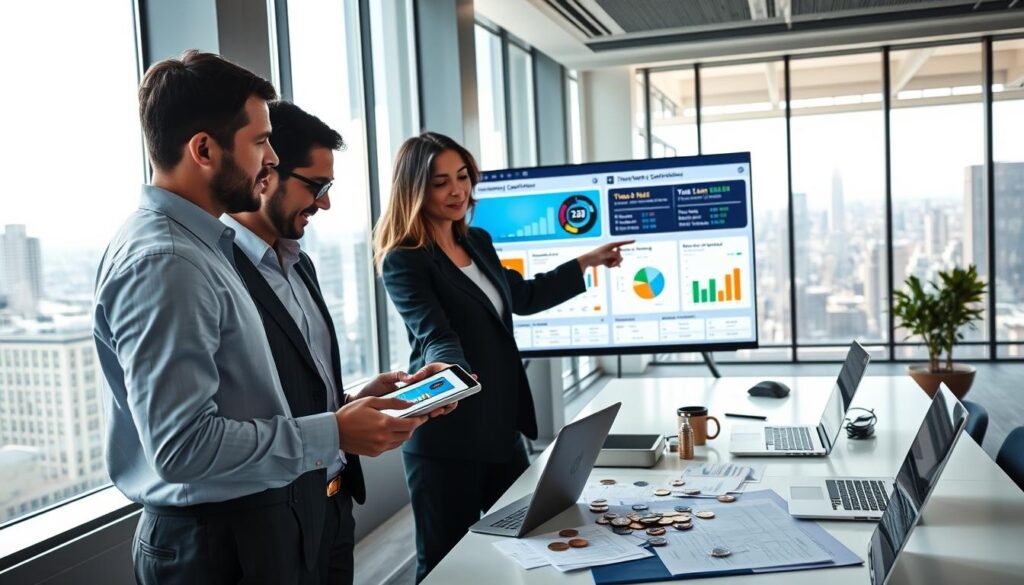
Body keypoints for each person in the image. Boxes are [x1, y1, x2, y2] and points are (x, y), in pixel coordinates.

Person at [93, 51, 424, 585]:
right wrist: (333, 432)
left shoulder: (203, 247)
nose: (269, 159)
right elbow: (182, 449)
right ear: (203, 149)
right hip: (219, 543)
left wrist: (348, 406)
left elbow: (248, 400)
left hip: (257, 526)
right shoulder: (169, 262)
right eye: (259, 141)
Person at [373, 131, 632, 581]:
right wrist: (449, 372)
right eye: (440, 182)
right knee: (445, 565)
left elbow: (523, 296)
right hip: (447, 438)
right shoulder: (405, 259)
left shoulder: (477, 241)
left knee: (523, 543)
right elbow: (436, 332)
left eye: (463, 177)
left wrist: (585, 262)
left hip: (501, 428)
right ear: (414, 188)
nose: (457, 191)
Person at [224, 100, 454, 584]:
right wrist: (334, 429)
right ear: (265, 172)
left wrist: (356, 399)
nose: (324, 202)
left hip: (328, 508)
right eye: (316, 185)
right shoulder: (217, 273)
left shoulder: (296, 263)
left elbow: (284, 395)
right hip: (264, 525)